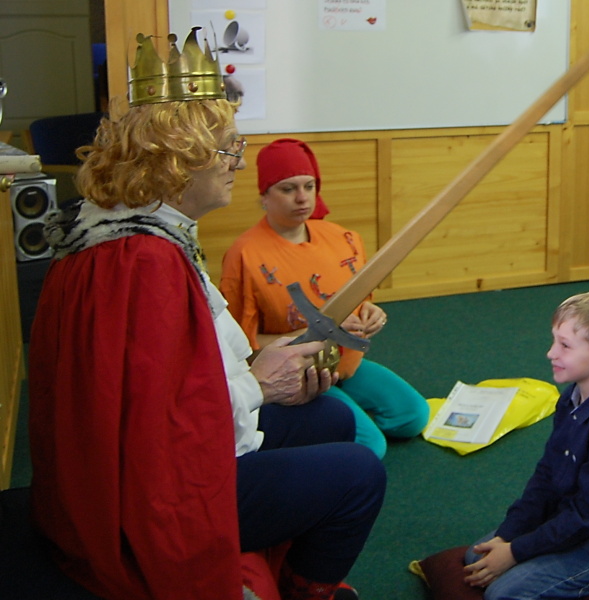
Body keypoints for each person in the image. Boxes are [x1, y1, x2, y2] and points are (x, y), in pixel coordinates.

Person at [27, 29, 385, 600]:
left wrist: (264, 362)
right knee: (360, 474)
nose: (237, 164)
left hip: (178, 447)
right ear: (175, 161)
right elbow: (160, 426)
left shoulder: (138, 232)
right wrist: (258, 385)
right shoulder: (142, 261)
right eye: (226, 150)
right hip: (151, 492)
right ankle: (305, 590)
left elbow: (178, 372)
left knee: (332, 419)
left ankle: (283, 567)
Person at [220, 138, 430, 459]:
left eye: (309, 186)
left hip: (346, 363)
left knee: (413, 416)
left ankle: (341, 413)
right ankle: (302, 423)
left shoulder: (342, 238)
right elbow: (243, 349)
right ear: (264, 195)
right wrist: (312, 333)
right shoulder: (245, 255)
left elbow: (358, 301)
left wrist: (371, 313)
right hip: (297, 374)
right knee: (371, 447)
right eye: (287, 189)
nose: (302, 198)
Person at [463, 290, 589, 600]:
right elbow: (545, 475)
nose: (550, 353)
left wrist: (515, 552)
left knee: (502, 594)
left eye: (564, 345)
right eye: (555, 341)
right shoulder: (570, 399)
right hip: (566, 518)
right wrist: (508, 534)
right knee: (475, 557)